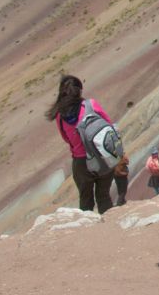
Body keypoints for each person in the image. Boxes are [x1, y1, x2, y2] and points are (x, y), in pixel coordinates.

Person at [47, 75, 115, 214]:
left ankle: (88, 231)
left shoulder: (60, 116)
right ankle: (109, 228)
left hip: (81, 162)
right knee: (104, 196)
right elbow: (108, 124)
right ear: (80, 91)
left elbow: (66, 139)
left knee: (86, 201)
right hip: (103, 156)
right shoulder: (91, 105)